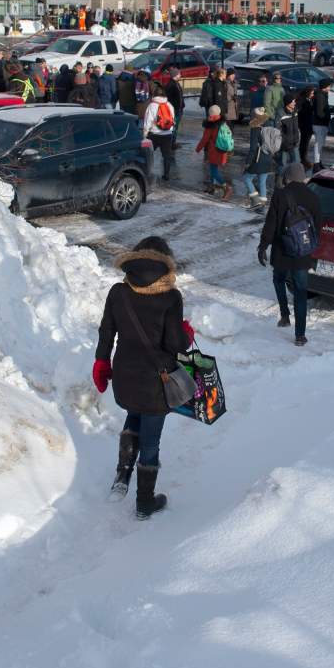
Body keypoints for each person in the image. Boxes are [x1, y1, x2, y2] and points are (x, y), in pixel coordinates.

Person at [93, 237, 194, 519]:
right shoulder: (171, 297)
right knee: (151, 440)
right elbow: (175, 344)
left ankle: (121, 478)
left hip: (125, 376)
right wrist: (186, 333)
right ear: (165, 263)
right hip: (156, 382)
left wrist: (101, 361)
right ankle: (145, 502)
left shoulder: (118, 292)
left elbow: (106, 331)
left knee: (133, 415)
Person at [258, 163, 323, 347]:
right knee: (301, 291)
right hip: (302, 252)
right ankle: (300, 335)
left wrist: (263, 245)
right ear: (302, 177)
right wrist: (310, 247)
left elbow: (271, 223)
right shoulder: (313, 197)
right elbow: (317, 227)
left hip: (281, 249)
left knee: (278, 278)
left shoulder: (280, 195)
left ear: (288, 177)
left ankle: (285, 315)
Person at [196, 105, 231, 199]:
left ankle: (226, 187)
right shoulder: (223, 123)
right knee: (213, 168)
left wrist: (197, 149)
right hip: (222, 150)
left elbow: (205, 139)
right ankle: (212, 187)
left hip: (214, 150)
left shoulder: (211, 125)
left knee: (213, 170)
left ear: (210, 113)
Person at [242, 107, 275, 206]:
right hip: (268, 157)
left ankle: (255, 200)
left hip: (258, 158)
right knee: (262, 181)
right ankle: (263, 201)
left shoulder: (256, 128)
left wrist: (248, 162)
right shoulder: (269, 126)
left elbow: (252, 148)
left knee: (247, 178)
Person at [142, 91, 176, 182]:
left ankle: (147, 172)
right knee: (166, 156)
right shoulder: (169, 105)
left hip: (154, 134)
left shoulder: (152, 106)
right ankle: (166, 175)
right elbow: (172, 119)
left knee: (148, 154)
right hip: (167, 134)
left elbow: (147, 121)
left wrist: (145, 134)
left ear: (154, 96)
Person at [277, 95, 301, 176]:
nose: (294, 103)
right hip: (284, 144)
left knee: (296, 162)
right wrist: (283, 141)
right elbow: (277, 129)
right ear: (287, 103)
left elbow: (296, 127)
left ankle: (291, 180)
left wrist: (297, 138)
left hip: (294, 142)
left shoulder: (295, 112)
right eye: (292, 101)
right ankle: (279, 182)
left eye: (294, 101)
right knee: (282, 164)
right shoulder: (280, 113)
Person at [310, 79, 331, 169]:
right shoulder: (320, 96)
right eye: (329, 86)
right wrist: (326, 117)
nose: (330, 87)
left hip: (322, 123)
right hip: (319, 124)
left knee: (320, 144)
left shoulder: (323, 95)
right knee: (318, 144)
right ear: (324, 87)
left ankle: (319, 161)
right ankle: (316, 163)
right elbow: (319, 112)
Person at [163, 70, 183, 134]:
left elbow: (180, 96)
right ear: (175, 75)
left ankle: (173, 141)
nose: (180, 75)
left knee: (175, 127)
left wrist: (182, 105)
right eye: (179, 74)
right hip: (174, 109)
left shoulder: (176, 83)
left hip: (178, 108)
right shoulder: (171, 85)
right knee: (173, 126)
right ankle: (172, 142)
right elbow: (168, 98)